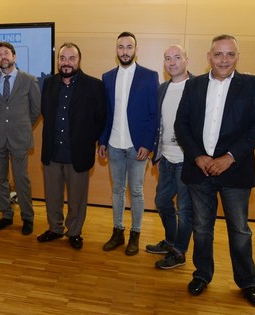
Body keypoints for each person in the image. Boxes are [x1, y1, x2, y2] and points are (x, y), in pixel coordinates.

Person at [174, 34, 255, 306]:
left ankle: (247, 282)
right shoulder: (192, 86)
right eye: (218, 54)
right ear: (209, 57)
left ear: (237, 56)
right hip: (199, 171)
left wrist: (230, 157)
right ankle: (202, 275)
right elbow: (181, 125)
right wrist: (197, 157)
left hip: (235, 172)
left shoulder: (252, 85)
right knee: (202, 228)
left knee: (239, 230)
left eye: (230, 54)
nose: (224, 60)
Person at [37, 42, 106, 249]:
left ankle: (74, 232)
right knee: (53, 195)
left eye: (71, 58)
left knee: (77, 197)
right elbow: (45, 112)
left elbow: (101, 118)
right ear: (58, 60)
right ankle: (55, 228)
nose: (66, 63)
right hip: (52, 150)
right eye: (62, 58)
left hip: (78, 152)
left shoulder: (94, 86)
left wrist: (87, 139)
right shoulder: (48, 83)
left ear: (79, 60)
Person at [97, 32, 159, 256]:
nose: (125, 51)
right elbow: (106, 113)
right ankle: (118, 232)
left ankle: (136, 234)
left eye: (129, 47)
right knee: (116, 190)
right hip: (113, 144)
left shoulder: (149, 76)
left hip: (137, 146)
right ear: (116, 50)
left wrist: (148, 144)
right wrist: (102, 140)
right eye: (121, 47)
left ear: (135, 50)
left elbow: (154, 114)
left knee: (136, 191)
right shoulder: (107, 77)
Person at [145, 45, 193, 269]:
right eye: (167, 58)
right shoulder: (162, 88)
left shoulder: (197, 87)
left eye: (177, 57)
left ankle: (179, 252)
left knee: (184, 210)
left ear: (186, 60)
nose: (172, 62)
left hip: (187, 161)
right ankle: (171, 241)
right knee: (162, 202)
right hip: (165, 159)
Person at [0, 41, 41, 235]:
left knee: (21, 179)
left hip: (19, 138)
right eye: (0, 54)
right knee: (0, 179)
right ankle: (6, 214)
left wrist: (23, 126)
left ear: (14, 56)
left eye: (6, 53)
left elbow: (36, 110)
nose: (3, 57)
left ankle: (27, 217)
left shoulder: (29, 80)